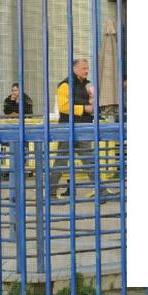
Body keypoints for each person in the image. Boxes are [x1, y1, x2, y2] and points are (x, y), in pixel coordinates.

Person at [51, 58, 96, 198]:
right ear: (75, 69)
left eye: (87, 68)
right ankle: (51, 192)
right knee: (62, 160)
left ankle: (100, 190)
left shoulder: (87, 85)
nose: (87, 71)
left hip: (83, 127)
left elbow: (93, 103)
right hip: (67, 127)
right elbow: (63, 107)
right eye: (83, 68)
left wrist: (93, 98)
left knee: (89, 159)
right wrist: (85, 108)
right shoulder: (65, 85)